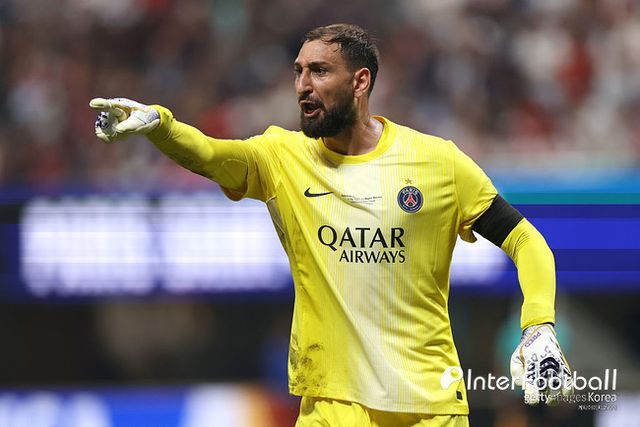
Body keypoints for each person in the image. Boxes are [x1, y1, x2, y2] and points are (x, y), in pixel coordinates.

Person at [90, 23, 572, 427]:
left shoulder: (437, 162)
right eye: (298, 71)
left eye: (319, 71)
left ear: (360, 82)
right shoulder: (282, 157)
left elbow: (524, 238)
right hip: (330, 407)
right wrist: (160, 125)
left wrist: (538, 326)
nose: (303, 84)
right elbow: (212, 155)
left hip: (429, 408)